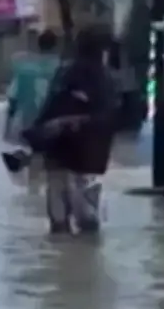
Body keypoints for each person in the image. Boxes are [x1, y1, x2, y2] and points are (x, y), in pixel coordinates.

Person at [24, 25, 118, 234]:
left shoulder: (67, 73)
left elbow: (50, 108)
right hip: (87, 157)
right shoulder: (103, 79)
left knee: (60, 218)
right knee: (87, 221)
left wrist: (41, 132)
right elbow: (110, 117)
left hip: (62, 152)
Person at [3, 29, 61, 190]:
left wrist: (8, 127)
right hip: (55, 122)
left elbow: (13, 97)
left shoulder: (24, 69)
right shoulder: (62, 69)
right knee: (52, 160)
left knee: (36, 154)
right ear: (57, 46)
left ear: (38, 45)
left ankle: (32, 191)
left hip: (28, 121)